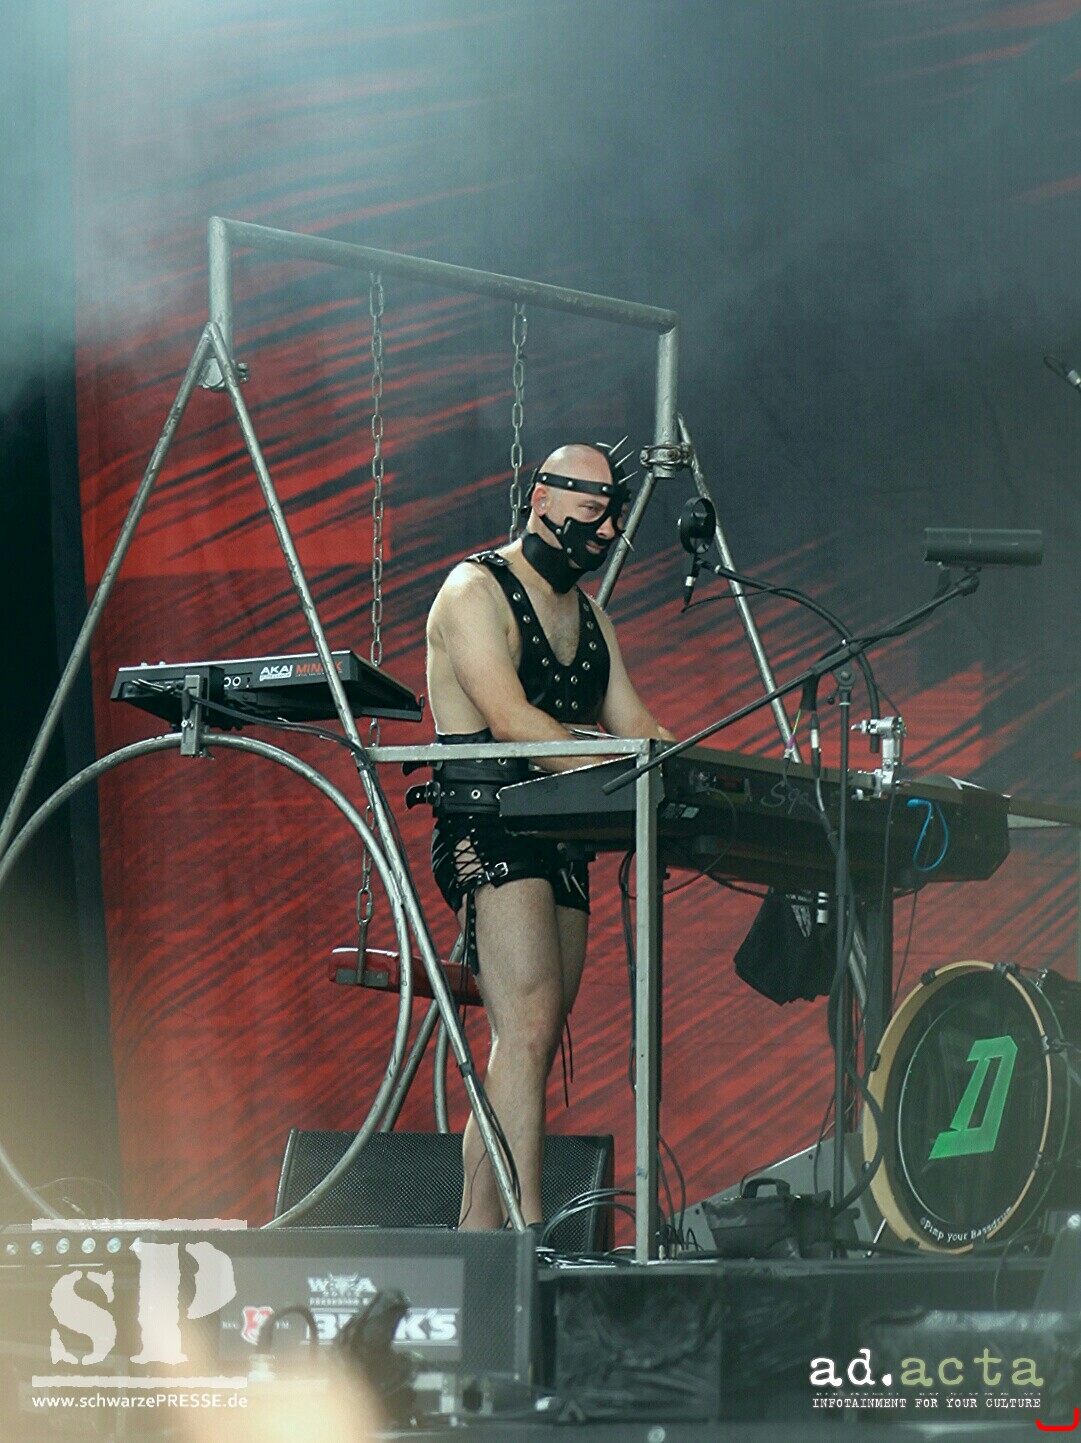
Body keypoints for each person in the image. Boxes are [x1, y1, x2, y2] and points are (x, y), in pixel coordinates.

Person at [424, 442, 675, 1231]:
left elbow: (636, 725)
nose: (603, 531)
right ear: (541, 499)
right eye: (590, 510)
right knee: (527, 1026)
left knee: (528, 1039)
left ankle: (477, 1233)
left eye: (611, 517)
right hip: (488, 824)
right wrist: (628, 765)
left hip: (563, 834)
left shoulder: (593, 617)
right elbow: (510, 720)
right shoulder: (473, 590)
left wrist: (689, 768)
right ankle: (528, 1234)